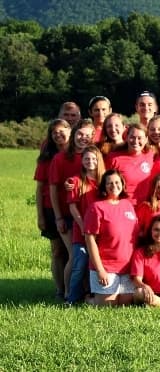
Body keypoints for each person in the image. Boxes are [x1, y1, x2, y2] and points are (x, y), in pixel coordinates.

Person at [84, 169, 138, 306]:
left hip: (127, 268)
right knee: (108, 306)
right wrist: (100, 270)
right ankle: (88, 299)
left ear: (122, 184)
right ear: (104, 186)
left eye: (117, 182)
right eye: (109, 183)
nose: (114, 186)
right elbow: (90, 240)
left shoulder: (128, 205)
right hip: (106, 266)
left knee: (126, 303)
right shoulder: (96, 208)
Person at [35, 119, 71, 300]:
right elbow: (39, 188)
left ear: (70, 131)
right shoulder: (46, 158)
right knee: (57, 250)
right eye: (54, 133)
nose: (58, 135)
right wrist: (40, 215)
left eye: (61, 131)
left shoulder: (77, 153)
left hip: (73, 208)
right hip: (51, 209)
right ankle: (59, 289)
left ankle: (73, 289)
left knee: (73, 251)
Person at [65, 146, 105, 304]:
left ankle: (93, 295)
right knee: (79, 265)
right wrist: (83, 226)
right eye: (87, 159)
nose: (90, 162)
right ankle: (72, 298)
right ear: (82, 161)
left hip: (100, 232)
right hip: (80, 232)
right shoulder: (76, 181)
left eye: (94, 159)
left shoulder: (103, 182)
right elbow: (72, 206)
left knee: (96, 265)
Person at [50, 120, 94, 258]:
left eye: (88, 135)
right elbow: (53, 189)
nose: (83, 138)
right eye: (80, 134)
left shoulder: (94, 158)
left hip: (89, 215)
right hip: (67, 215)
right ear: (73, 135)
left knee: (88, 256)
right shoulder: (60, 158)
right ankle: (69, 281)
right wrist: (58, 218)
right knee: (75, 256)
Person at [107, 123, 154, 204]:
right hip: (123, 205)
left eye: (140, 138)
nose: (136, 141)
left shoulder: (151, 154)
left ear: (146, 139)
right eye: (132, 137)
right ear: (126, 138)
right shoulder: (114, 158)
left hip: (145, 206)